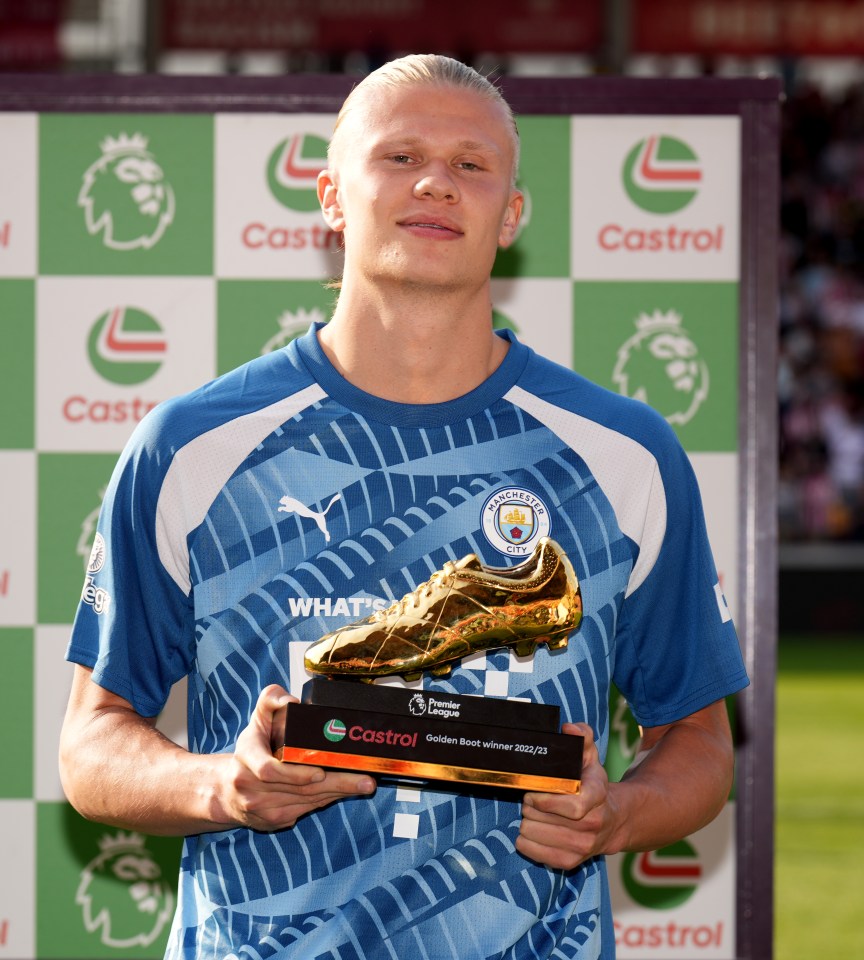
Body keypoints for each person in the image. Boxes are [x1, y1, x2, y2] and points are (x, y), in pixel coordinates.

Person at [59, 54, 749, 960]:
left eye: (472, 165)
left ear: (511, 215)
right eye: (398, 156)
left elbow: (698, 739)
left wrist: (614, 814)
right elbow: (92, 746)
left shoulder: (624, 454)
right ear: (331, 196)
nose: (435, 182)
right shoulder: (191, 447)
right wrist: (225, 784)